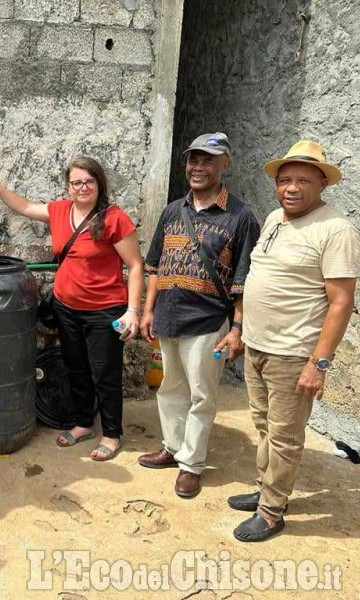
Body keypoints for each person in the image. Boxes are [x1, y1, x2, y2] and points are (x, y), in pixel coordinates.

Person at [229, 141, 359, 541]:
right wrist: (242, 330)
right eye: (285, 179)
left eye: (304, 179)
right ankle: (268, 489)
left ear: (323, 183)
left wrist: (318, 364)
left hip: (293, 353)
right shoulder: (274, 219)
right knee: (265, 426)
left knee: (285, 437)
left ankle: (271, 513)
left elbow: (341, 303)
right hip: (258, 346)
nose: (292, 187)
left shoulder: (335, 229)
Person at [0, 155, 144, 461]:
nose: (82, 187)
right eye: (76, 182)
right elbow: (24, 206)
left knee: (105, 373)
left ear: (99, 184)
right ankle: (82, 424)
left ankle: (111, 433)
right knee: (75, 367)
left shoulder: (114, 218)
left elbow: (134, 265)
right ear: (68, 186)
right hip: (67, 307)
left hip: (105, 309)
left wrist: (132, 310)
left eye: (89, 181)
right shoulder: (60, 211)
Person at [138, 133, 260, 498]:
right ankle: (172, 448)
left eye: (208, 160)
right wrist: (148, 311)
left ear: (225, 165)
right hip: (168, 317)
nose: (198, 167)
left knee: (202, 395)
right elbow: (155, 266)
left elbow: (244, 280)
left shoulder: (240, 217)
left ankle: (191, 464)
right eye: (193, 159)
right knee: (170, 388)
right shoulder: (174, 210)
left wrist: (236, 328)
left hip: (208, 322)